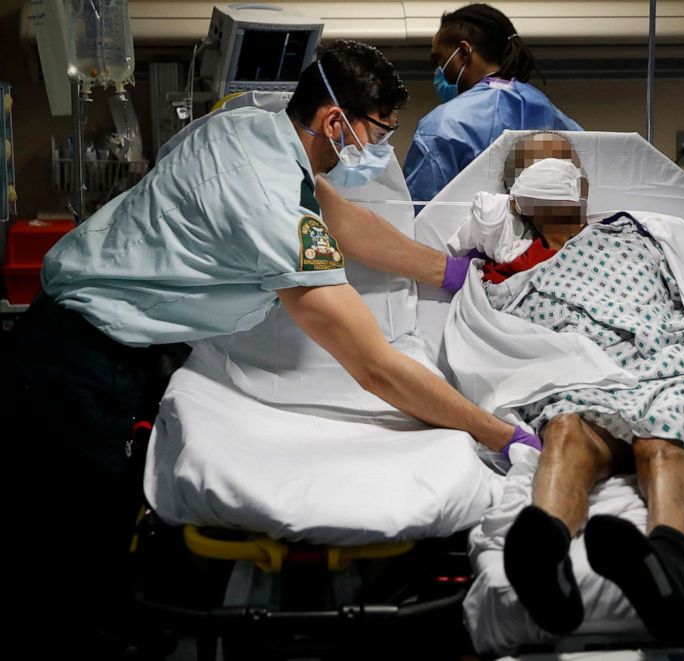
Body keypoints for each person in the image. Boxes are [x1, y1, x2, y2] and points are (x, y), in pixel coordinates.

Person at [0, 41, 540, 657]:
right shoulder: (271, 205)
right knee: (67, 559)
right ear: (335, 122)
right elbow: (374, 367)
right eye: (380, 133)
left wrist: (446, 270)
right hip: (77, 363)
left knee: (70, 540)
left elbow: (338, 218)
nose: (381, 150)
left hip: (78, 340)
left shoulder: (250, 129)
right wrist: (495, 432)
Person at [459, 132, 684, 642]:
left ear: (585, 186)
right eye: (537, 166)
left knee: (661, 437)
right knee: (566, 431)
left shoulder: (638, 236)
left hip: (662, 367)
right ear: (516, 197)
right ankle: (544, 555)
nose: (553, 170)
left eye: (563, 162)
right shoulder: (504, 272)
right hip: (575, 384)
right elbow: (493, 341)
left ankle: (665, 569)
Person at [403, 3, 581, 209]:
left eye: (439, 60)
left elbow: (418, 217)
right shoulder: (553, 116)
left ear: (463, 52)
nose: (439, 71)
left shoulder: (441, 126)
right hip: (551, 241)